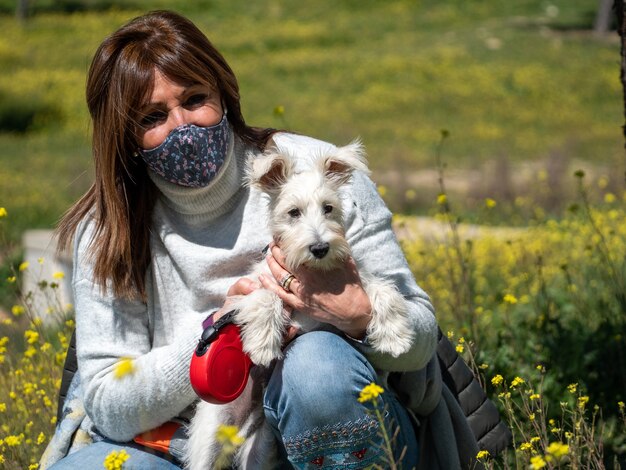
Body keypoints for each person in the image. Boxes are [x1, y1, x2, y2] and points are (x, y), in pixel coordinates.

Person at [40, 10, 481, 469]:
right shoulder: (109, 226)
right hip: (172, 442)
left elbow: (420, 337)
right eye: (153, 116)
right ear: (124, 135)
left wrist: (360, 315)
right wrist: (214, 336)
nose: (182, 127)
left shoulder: (320, 171)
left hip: (319, 430)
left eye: (195, 99)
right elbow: (108, 403)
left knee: (317, 369)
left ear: (224, 93)